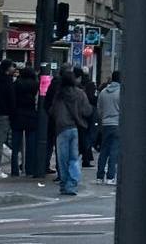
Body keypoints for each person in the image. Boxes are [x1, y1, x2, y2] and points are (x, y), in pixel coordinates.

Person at [50, 65, 93, 195]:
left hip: (61, 128)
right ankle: (72, 183)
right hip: (75, 128)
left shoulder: (59, 95)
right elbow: (87, 110)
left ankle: (64, 183)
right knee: (73, 158)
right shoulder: (80, 93)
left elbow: (52, 111)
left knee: (62, 159)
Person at [10, 66, 38, 178]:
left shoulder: (17, 84)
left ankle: (14, 169)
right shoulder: (35, 84)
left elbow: (12, 100)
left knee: (15, 146)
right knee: (30, 145)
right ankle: (29, 168)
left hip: (18, 115)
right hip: (31, 116)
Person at [96, 71, 122, 185]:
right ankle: (110, 177)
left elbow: (99, 109)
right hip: (117, 124)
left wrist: (103, 119)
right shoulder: (121, 92)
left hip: (105, 124)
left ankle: (99, 176)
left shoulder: (103, 92)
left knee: (104, 151)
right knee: (114, 151)